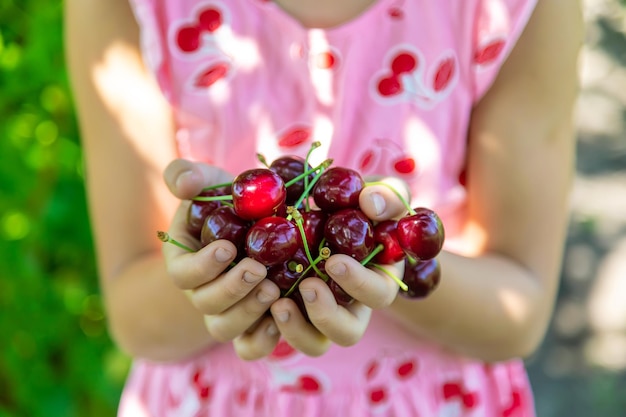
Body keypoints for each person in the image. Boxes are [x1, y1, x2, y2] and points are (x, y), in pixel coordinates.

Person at [64, 0, 583, 415]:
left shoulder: (510, 9)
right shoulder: (127, 8)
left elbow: (519, 314)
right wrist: (218, 270)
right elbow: (134, 319)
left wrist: (386, 255)